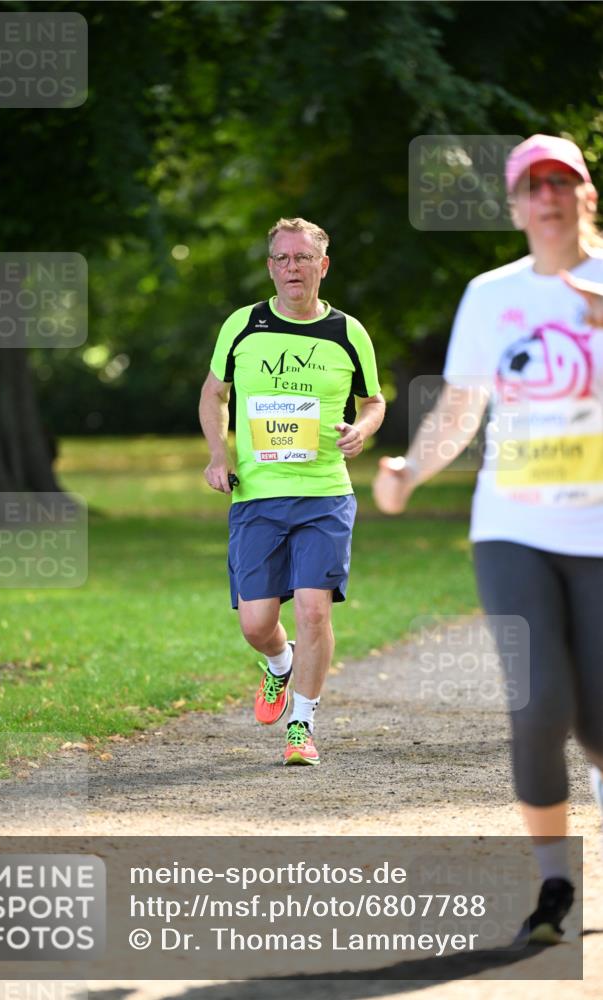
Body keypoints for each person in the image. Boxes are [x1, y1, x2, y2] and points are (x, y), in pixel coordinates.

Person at [374, 135, 603, 943]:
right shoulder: (490, 294)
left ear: (585, 195)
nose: (546, 196)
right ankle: (553, 890)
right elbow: (461, 406)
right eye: (530, 186)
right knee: (538, 703)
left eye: (561, 182)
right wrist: (407, 468)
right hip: (512, 526)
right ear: (512, 206)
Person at [200, 217, 384, 766]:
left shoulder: (348, 332)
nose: (291, 268)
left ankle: (301, 726)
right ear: (270, 267)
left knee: (313, 610)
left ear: (322, 266)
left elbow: (373, 401)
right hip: (257, 495)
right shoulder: (243, 324)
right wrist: (218, 454)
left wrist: (362, 430)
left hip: (325, 493)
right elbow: (214, 394)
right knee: (257, 623)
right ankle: (280, 663)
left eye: (302, 258)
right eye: (281, 259)